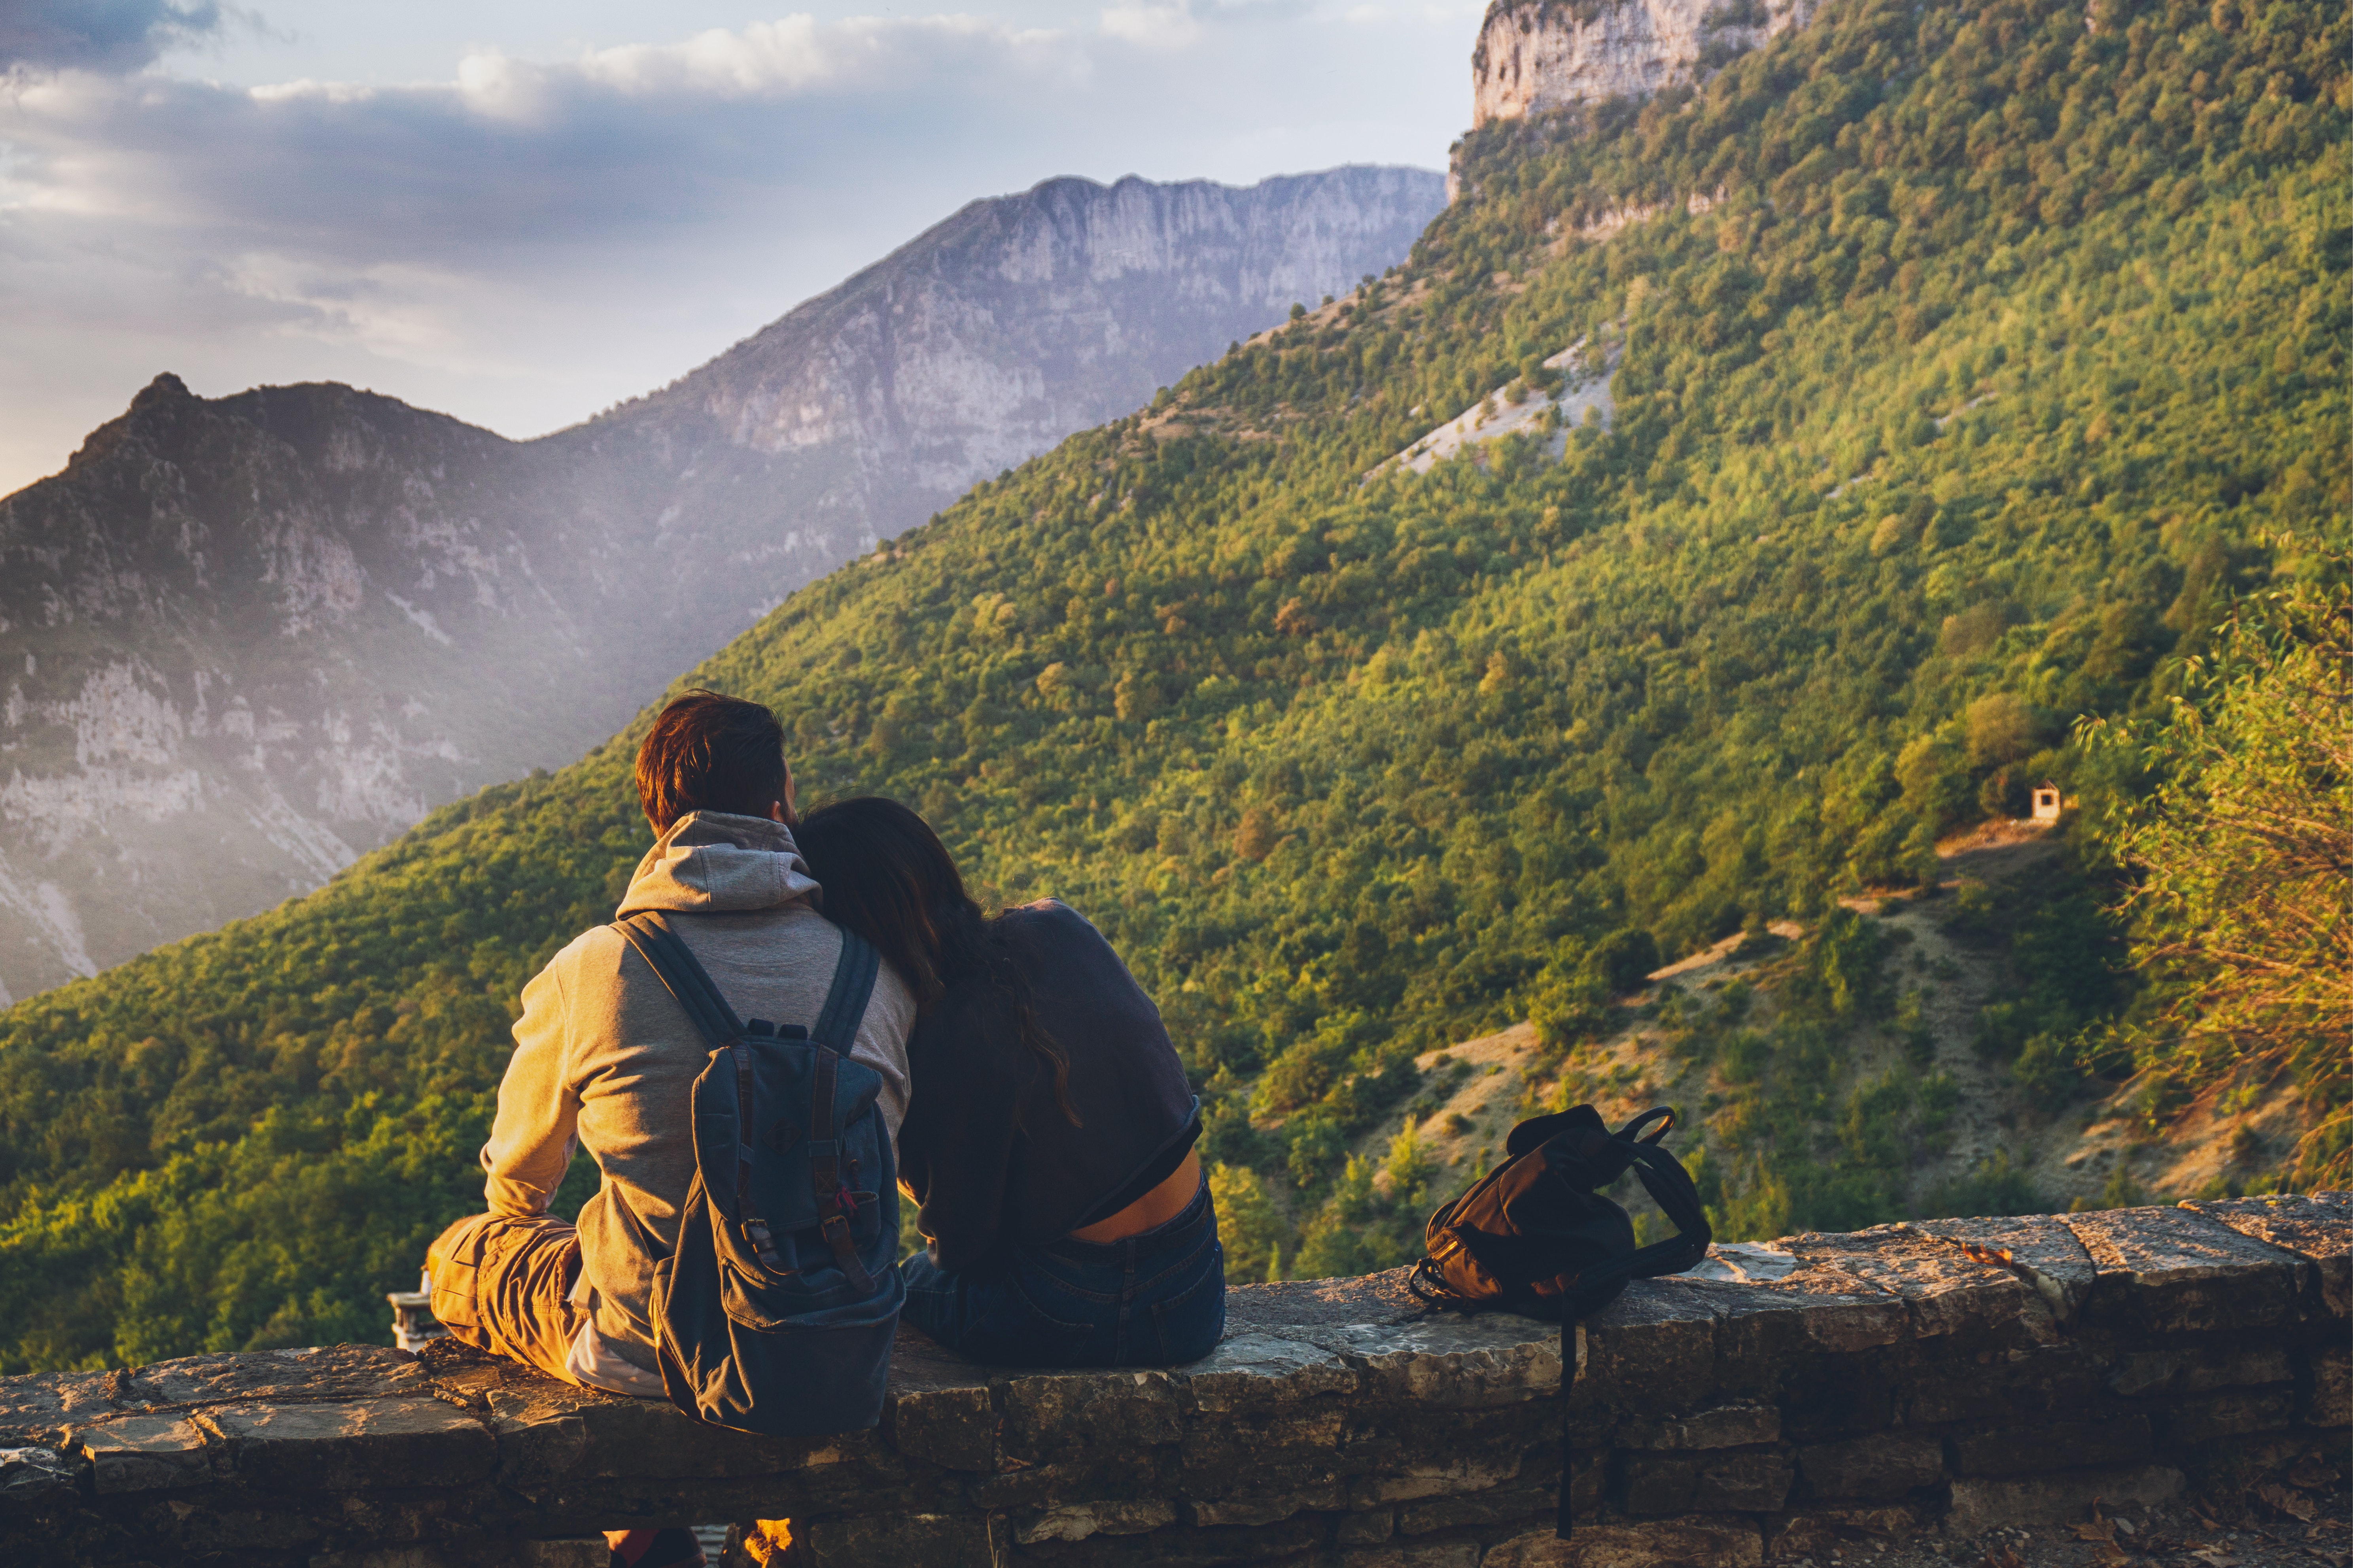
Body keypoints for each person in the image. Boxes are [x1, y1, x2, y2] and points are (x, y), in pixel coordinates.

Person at [422, 692, 916, 1568]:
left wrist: (530, 1210)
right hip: (829, 1337)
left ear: (658, 820)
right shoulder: (871, 971)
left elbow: (520, 1177)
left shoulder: (594, 967)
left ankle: (644, 1539)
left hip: (641, 1348)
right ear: (781, 807)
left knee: (462, 1251)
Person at [792, 796, 1222, 1367]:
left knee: (897, 1285)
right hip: (1197, 1286)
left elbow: (961, 1249)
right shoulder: (1057, 925)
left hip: (1070, 1308)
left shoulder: (938, 1038)